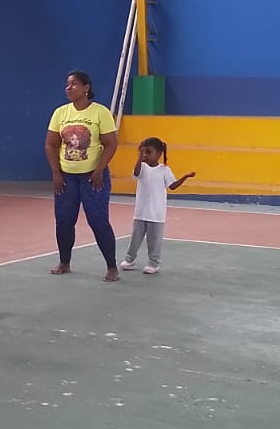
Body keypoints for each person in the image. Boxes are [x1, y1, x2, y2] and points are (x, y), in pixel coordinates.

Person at [46, 70, 122, 281]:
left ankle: (111, 266)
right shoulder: (60, 113)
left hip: (92, 178)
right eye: (67, 84)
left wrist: (99, 170)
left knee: (98, 221)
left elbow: (111, 144)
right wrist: (56, 173)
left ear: (86, 87)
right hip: (66, 179)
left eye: (74, 84)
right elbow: (51, 144)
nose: (68, 88)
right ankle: (64, 262)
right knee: (63, 221)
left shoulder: (100, 113)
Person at [122, 137, 195, 274]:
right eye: (142, 152)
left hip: (156, 214)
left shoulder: (164, 170)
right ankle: (129, 259)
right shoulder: (142, 167)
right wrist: (139, 158)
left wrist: (185, 176)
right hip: (140, 212)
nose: (145, 155)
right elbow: (136, 172)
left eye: (148, 152)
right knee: (135, 238)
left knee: (154, 241)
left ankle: (153, 263)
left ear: (159, 154)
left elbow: (172, 186)